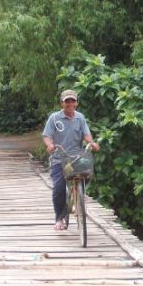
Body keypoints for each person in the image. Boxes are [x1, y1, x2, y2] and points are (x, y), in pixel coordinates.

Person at [42, 89, 100, 230]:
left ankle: (79, 193)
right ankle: (59, 218)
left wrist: (91, 143)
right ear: (62, 103)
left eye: (72, 101)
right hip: (59, 159)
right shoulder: (54, 118)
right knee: (59, 187)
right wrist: (49, 145)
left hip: (76, 158)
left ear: (77, 103)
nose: (70, 103)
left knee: (88, 170)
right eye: (67, 101)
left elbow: (86, 134)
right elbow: (46, 135)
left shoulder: (80, 118)